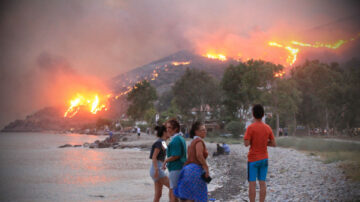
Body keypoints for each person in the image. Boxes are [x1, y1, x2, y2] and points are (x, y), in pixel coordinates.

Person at [244, 104, 276, 202]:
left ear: (253, 114)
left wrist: (254, 141)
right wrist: (264, 142)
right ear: (263, 115)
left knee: (252, 183)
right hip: (264, 159)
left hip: (253, 159)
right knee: (262, 182)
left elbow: (246, 143)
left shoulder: (250, 128)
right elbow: (274, 144)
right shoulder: (268, 128)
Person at [174, 121, 210, 202]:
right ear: (196, 132)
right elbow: (199, 155)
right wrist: (206, 167)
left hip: (186, 170)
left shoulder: (191, 142)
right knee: (197, 197)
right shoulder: (199, 141)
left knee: (187, 197)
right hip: (195, 171)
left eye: (205, 129)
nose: (205, 131)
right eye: (202, 130)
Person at [162, 118, 187, 202]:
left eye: (169, 127)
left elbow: (176, 155)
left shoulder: (176, 139)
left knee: (173, 192)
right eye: (167, 127)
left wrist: (165, 161)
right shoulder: (179, 138)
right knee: (176, 191)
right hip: (179, 167)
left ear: (175, 129)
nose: (167, 129)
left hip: (176, 168)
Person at [149, 125, 171, 202]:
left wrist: (164, 165)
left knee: (158, 195)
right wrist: (157, 170)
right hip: (157, 169)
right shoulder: (159, 143)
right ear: (164, 132)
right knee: (172, 187)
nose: (170, 132)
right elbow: (154, 157)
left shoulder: (163, 142)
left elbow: (166, 153)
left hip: (157, 168)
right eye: (168, 131)